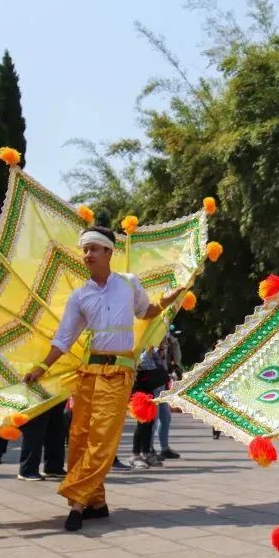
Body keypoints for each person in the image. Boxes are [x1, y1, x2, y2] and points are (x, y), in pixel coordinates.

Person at [22, 226, 184, 531]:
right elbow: (64, 339)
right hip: (89, 372)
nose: (88, 255)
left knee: (102, 439)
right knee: (80, 436)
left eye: (94, 249)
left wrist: (166, 300)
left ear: (109, 252)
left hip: (119, 373)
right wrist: (41, 367)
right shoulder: (80, 296)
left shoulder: (128, 283)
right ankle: (97, 503)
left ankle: (77, 503)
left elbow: (145, 311)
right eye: (85, 250)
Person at [131, 345, 168, 468]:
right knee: (142, 424)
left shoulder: (156, 357)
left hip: (151, 393)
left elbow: (164, 367)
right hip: (140, 393)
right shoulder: (143, 356)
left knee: (149, 424)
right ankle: (135, 455)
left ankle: (146, 453)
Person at [17, 403, 68, 481]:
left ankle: (53, 467)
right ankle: (27, 470)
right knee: (36, 428)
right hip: (39, 396)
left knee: (57, 429)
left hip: (59, 394)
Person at [155, 328, 183, 458]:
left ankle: (164, 448)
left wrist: (173, 341)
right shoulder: (151, 338)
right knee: (152, 418)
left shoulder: (167, 340)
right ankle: (146, 450)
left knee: (165, 417)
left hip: (162, 380)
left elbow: (177, 358)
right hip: (152, 380)